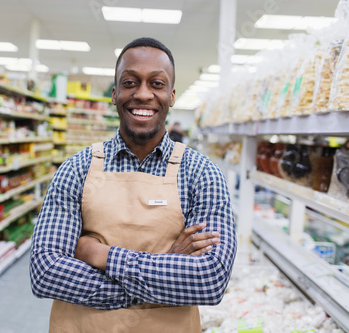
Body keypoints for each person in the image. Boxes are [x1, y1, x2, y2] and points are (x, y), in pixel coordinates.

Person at [30, 37, 236, 332]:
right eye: (130, 83)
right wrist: (165, 271)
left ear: (172, 96)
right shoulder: (77, 169)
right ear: (114, 94)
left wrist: (100, 255)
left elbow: (210, 280)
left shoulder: (202, 174)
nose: (143, 94)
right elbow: (46, 272)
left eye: (157, 84)